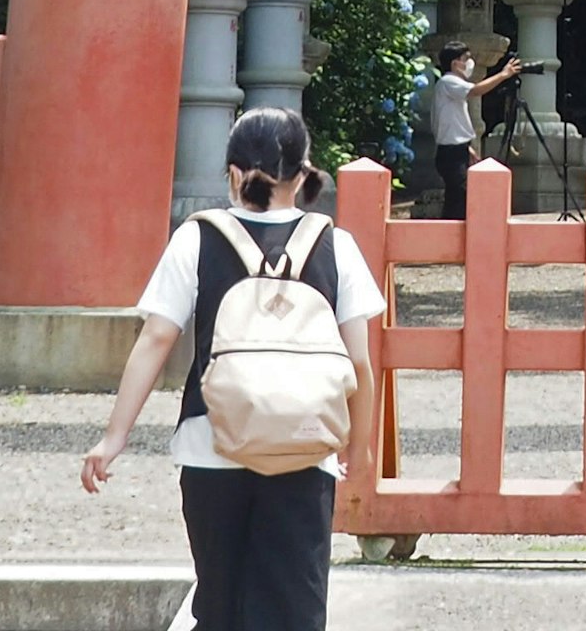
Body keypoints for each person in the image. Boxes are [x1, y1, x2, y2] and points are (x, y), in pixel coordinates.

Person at [81, 109, 383, 631]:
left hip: (211, 446)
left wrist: (114, 437)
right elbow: (359, 360)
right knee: (293, 610)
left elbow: (156, 338)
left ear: (234, 174)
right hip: (304, 448)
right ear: (304, 171)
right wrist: (360, 446)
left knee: (219, 606)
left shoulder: (197, 239)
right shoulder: (337, 245)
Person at [419, 42, 525, 218]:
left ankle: (452, 235)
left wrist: (467, 148)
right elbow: (475, 90)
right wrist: (503, 75)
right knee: (458, 199)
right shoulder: (449, 81)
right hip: (451, 153)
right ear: (455, 63)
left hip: (456, 150)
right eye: (465, 59)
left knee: (458, 198)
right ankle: (451, 236)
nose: (469, 63)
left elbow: (451, 122)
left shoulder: (450, 85)